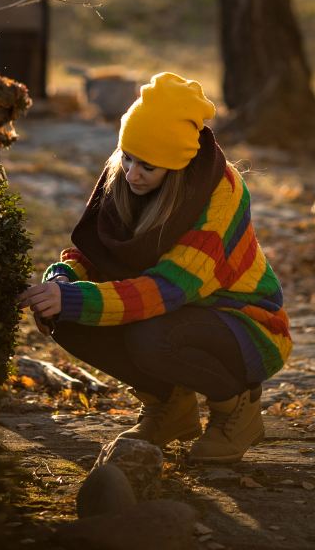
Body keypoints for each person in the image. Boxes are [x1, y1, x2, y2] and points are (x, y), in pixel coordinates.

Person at [18, 72, 291, 463]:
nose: (131, 174)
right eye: (126, 158)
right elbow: (90, 256)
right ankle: (170, 408)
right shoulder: (126, 178)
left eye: (146, 166)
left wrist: (76, 297)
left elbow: (170, 289)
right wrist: (61, 280)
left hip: (245, 323)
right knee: (68, 317)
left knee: (150, 338)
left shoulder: (220, 195)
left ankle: (237, 410)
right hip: (174, 314)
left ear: (176, 164)